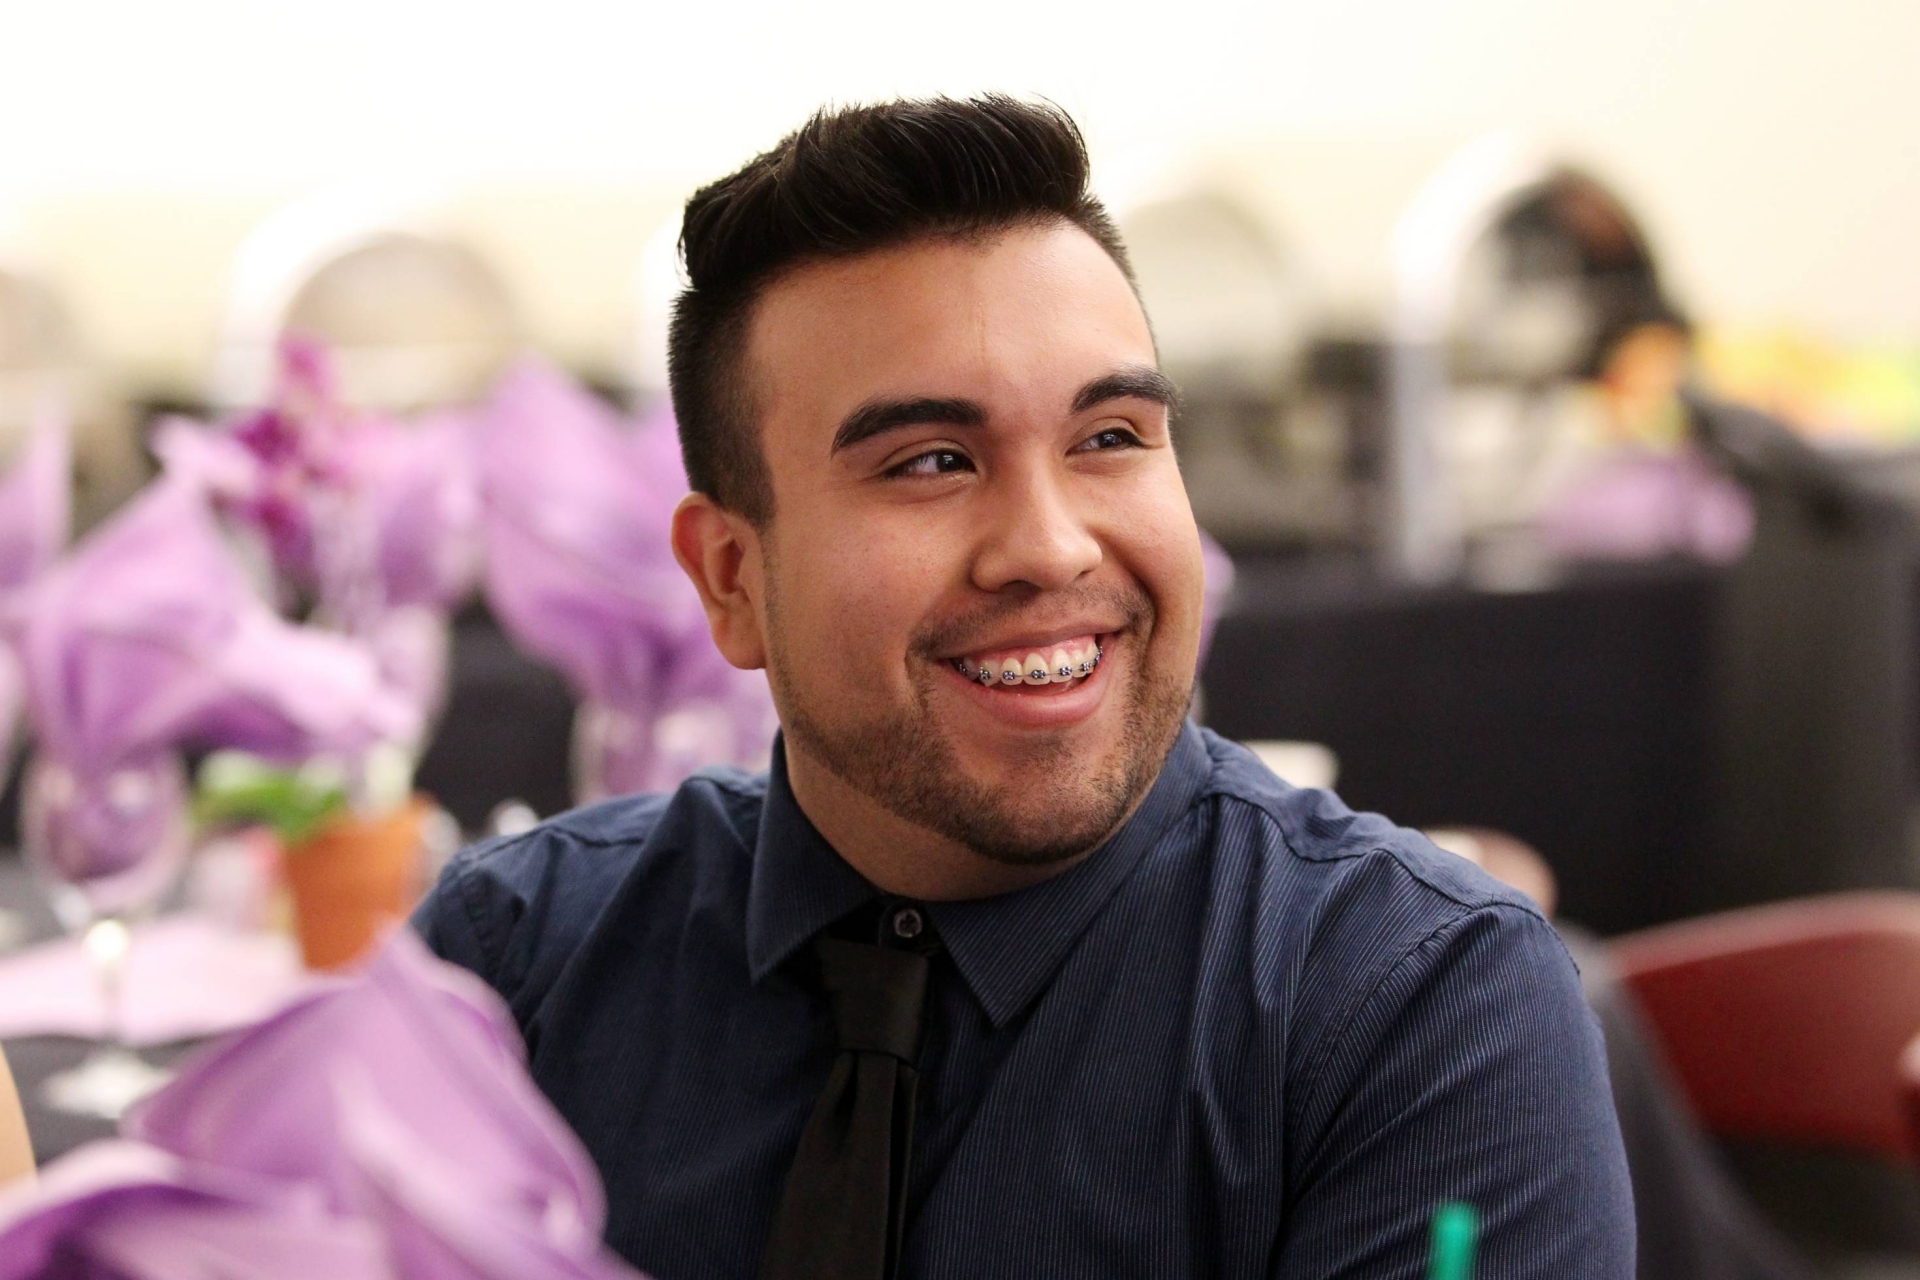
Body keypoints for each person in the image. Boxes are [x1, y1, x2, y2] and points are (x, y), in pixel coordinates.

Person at [413, 96, 1634, 1278]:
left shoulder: (1414, 1007)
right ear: (729, 576)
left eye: (1109, 437)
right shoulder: (513, 971)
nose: (1050, 547)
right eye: (933, 461)